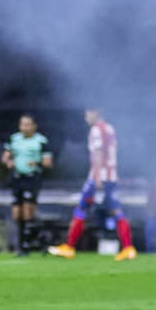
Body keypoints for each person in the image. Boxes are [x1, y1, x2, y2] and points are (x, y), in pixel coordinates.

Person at [48, 109, 136, 260]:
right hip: (111, 176)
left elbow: (98, 154)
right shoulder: (110, 128)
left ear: (97, 113)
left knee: (81, 209)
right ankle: (128, 248)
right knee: (117, 211)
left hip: (99, 177)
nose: (86, 116)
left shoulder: (96, 130)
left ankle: (69, 247)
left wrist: (96, 177)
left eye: (88, 113)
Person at [1, 115, 52, 253]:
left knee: (28, 210)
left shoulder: (41, 141)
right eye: (23, 124)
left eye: (28, 124)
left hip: (32, 178)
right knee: (17, 214)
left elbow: (48, 162)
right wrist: (8, 162)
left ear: (34, 126)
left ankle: (25, 245)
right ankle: (34, 237)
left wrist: (37, 163)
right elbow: (5, 157)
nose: (25, 127)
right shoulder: (14, 139)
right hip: (17, 178)